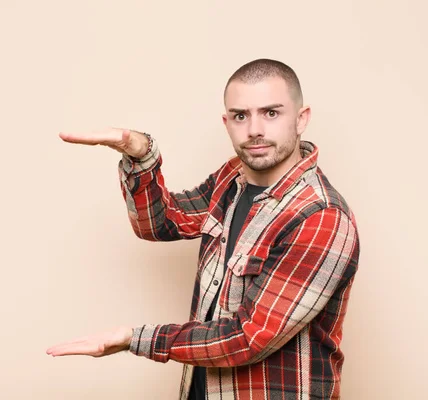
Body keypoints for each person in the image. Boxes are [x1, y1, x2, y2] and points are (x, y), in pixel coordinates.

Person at [46, 58, 360, 400]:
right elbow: (160, 223)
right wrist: (140, 156)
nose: (254, 129)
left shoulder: (321, 216)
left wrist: (136, 339)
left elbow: (249, 337)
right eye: (241, 115)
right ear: (227, 122)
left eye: (271, 113)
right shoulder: (232, 178)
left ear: (302, 119)